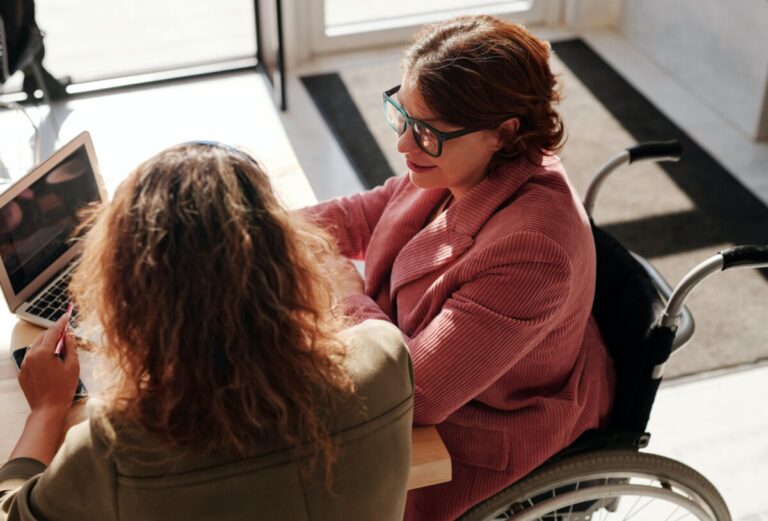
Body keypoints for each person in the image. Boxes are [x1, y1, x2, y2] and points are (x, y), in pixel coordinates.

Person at [305, 15, 616, 520]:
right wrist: (255, 227)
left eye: (425, 131)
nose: (404, 144)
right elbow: (367, 213)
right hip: (428, 366)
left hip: (477, 434)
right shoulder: (453, 158)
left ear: (504, 132)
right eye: (400, 116)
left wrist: (345, 289)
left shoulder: (534, 250)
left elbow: (417, 394)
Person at [0, 142, 414, 521]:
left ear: (129, 296)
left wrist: (47, 410)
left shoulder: (116, 448)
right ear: (289, 257)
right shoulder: (386, 357)